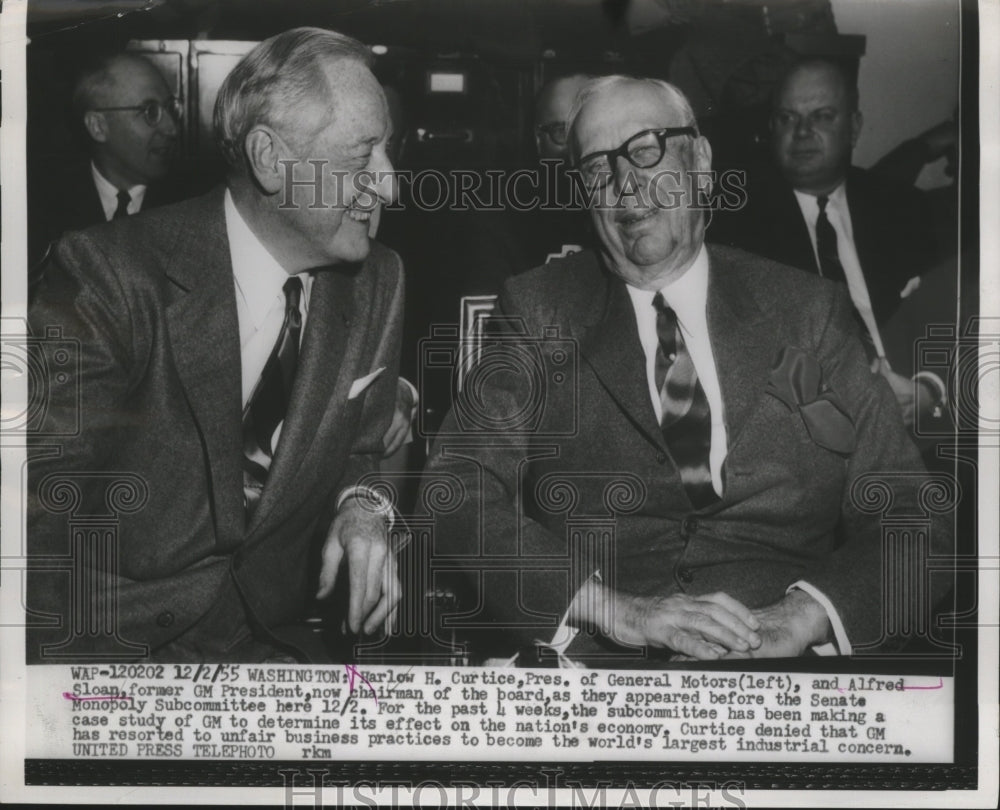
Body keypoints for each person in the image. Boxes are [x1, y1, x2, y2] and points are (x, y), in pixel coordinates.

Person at [420, 75, 952, 666]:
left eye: (646, 149)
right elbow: (456, 490)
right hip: (606, 665)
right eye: (597, 167)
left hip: (785, 669)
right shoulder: (538, 310)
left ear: (698, 160)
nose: (627, 184)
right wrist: (620, 612)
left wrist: (801, 620)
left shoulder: (808, 312)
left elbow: (915, 514)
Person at [27, 27, 404, 664]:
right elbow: (32, 510)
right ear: (270, 158)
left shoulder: (377, 281)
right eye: (361, 157)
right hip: (108, 648)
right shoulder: (106, 275)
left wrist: (365, 509)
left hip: (276, 644)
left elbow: (367, 446)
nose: (389, 187)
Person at [711, 57, 945, 429]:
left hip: (916, 421)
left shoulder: (903, 208)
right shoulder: (734, 225)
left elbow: (947, 319)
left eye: (821, 116)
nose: (802, 131)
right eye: (787, 118)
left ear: (854, 128)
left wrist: (928, 394)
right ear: (772, 128)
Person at [28, 52, 189, 266]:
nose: (171, 128)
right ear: (98, 126)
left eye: (170, 108)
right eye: (150, 112)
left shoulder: (193, 202)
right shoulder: (40, 205)